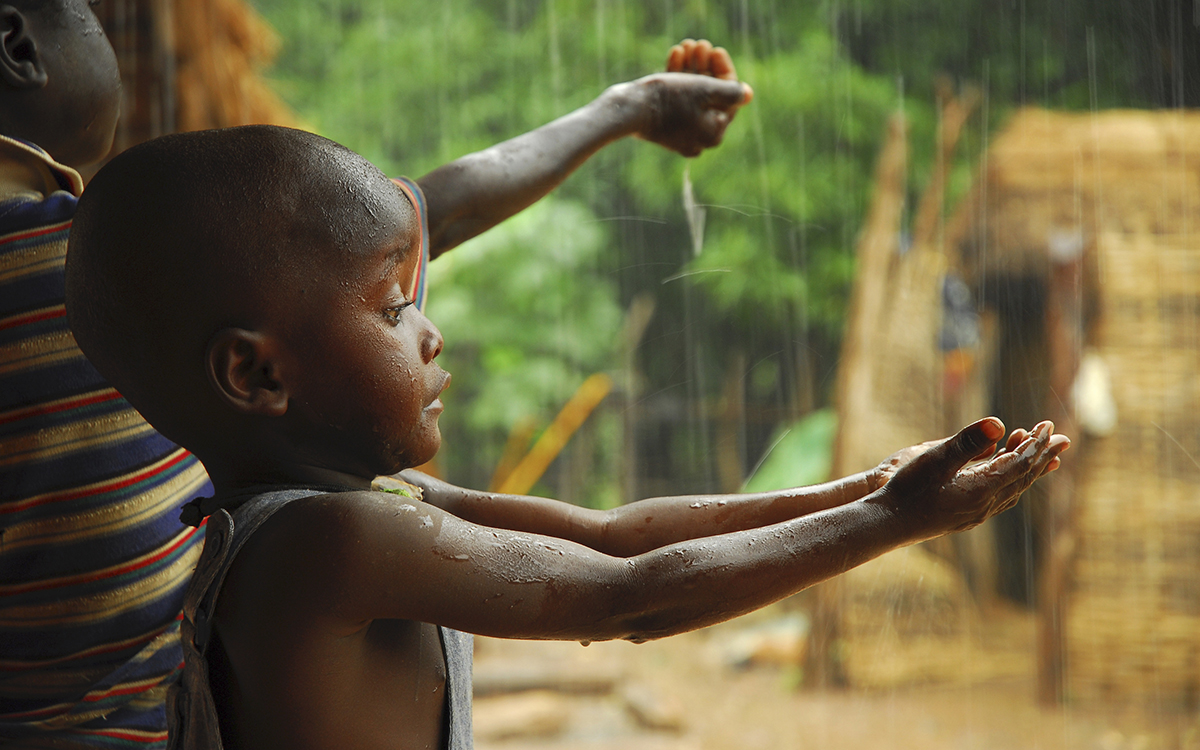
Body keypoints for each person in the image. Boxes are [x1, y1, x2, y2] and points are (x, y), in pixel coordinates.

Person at [64, 125, 1070, 750]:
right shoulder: (326, 545)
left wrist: (857, 490)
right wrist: (892, 523)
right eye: (387, 308)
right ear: (257, 374)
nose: (431, 327)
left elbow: (617, 533)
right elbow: (636, 598)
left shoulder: (349, 513)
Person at [0, 1, 749, 743]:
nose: (425, 330)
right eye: (88, 10)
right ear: (17, 42)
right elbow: (629, 593)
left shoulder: (133, 280)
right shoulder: (124, 270)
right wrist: (625, 110)